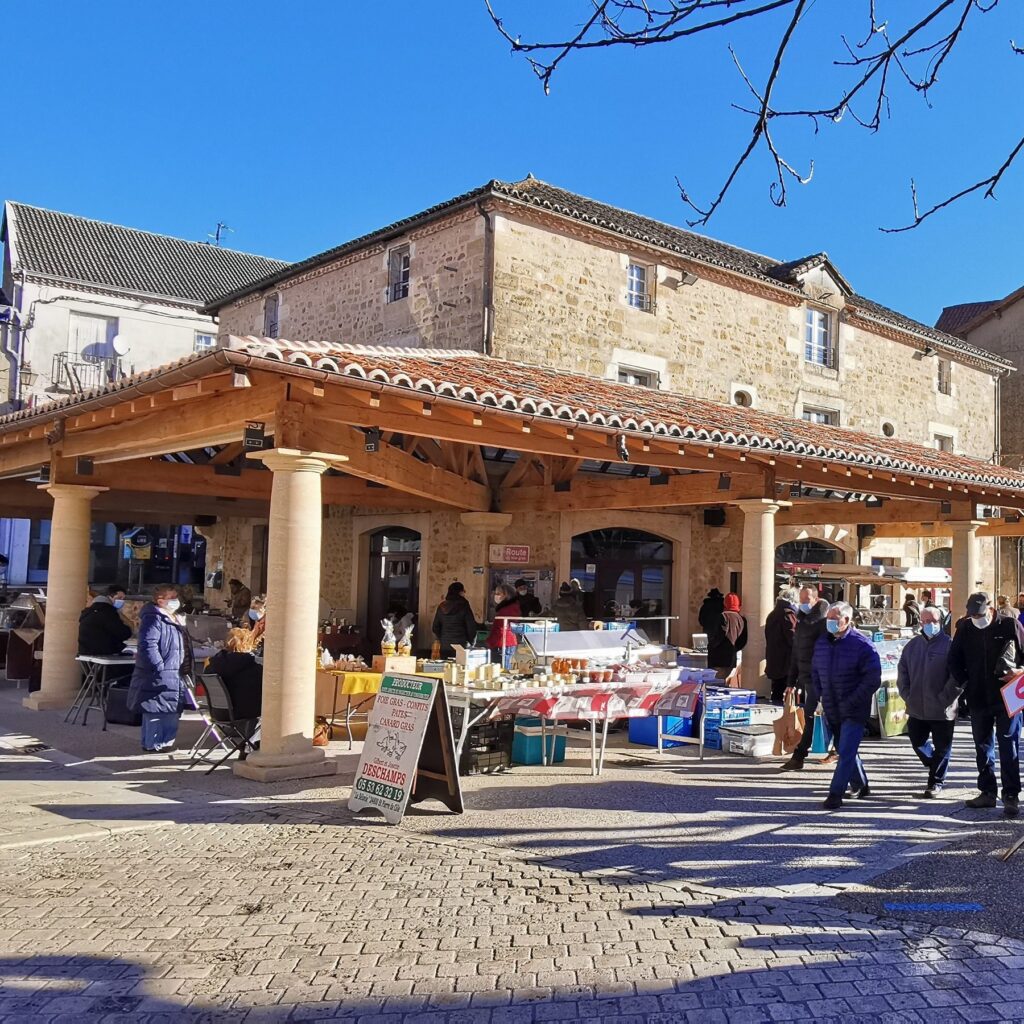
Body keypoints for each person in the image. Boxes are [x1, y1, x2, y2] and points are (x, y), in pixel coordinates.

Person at [949, 592, 1024, 818]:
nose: (977, 619)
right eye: (973, 615)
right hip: (978, 697)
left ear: (991, 610)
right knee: (982, 746)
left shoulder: (1010, 625)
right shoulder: (965, 628)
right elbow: (954, 660)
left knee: (1008, 744)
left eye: (980, 615)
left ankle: (1011, 795)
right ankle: (987, 791)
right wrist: (965, 683)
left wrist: (1020, 672)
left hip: (1007, 696)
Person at [813, 602, 882, 810]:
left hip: (853, 707)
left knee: (845, 750)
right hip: (831, 706)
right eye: (829, 618)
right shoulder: (822, 642)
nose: (831, 622)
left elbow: (872, 678)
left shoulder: (862, 645)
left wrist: (853, 700)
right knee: (847, 749)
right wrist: (819, 694)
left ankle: (835, 793)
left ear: (847, 620)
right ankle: (860, 784)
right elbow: (816, 669)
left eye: (836, 619)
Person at [896, 605, 962, 798]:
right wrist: (907, 695)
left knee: (943, 747)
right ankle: (935, 764)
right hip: (916, 707)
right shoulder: (912, 646)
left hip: (943, 709)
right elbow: (903, 673)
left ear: (940, 622)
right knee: (917, 742)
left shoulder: (949, 645)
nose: (929, 624)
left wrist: (945, 698)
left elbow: (957, 676)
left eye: (933, 621)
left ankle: (935, 782)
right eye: (925, 621)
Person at [127, 585, 192, 754]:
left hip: (173, 671)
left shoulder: (172, 618)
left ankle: (163, 742)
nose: (175, 600)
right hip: (161, 672)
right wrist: (159, 667)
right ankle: (155, 743)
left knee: (169, 709)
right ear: (160, 600)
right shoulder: (154, 618)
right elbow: (148, 645)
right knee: (157, 708)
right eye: (171, 597)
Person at [780, 584, 833, 771]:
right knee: (820, 716)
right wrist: (791, 682)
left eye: (806, 599)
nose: (803, 603)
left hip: (819, 678)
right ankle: (838, 749)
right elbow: (796, 653)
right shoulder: (801, 621)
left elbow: (825, 653)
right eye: (801, 599)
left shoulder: (824, 623)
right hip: (807, 677)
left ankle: (800, 755)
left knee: (812, 715)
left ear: (816, 599)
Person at [207, 627, 262, 749]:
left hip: (218, 712)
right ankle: (252, 747)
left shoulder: (213, 664)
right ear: (249, 644)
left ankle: (250, 745)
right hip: (240, 713)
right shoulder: (252, 669)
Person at [765, 587, 798, 704]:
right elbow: (793, 638)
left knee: (777, 689)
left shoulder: (772, 614)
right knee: (786, 690)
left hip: (774, 658)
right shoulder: (788, 614)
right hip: (786, 660)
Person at [78, 586, 132, 657]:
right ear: (109, 597)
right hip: (103, 653)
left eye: (123, 599)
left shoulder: (88, 611)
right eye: (119, 598)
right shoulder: (108, 612)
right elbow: (123, 633)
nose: (122, 601)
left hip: (85, 651)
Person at [706, 592, 747, 682]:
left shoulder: (723, 616)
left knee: (716, 683)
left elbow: (720, 635)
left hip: (719, 657)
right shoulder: (741, 619)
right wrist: (734, 648)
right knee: (726, 682)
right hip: (731, 657)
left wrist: (711, 645)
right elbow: (743, 640)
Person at [431, 582, 479, 657]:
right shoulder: (464, 606)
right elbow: (471, 627)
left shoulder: (441, 607)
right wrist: (471, 643)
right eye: (463, 591)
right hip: (461, 645)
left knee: (446, 667)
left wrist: (443, 638)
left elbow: (435, 627)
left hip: (445, 646)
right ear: (460, 592)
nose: (464, 593)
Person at [487, 583, 521, 668]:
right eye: (495, 594)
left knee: (502, 669)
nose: (496, 596)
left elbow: (502, 628)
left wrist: (491, 641)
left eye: (498, 594)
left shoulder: (507, 608)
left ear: (506, 595)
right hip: (504, 642)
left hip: (503, 643)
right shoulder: (507, 607)